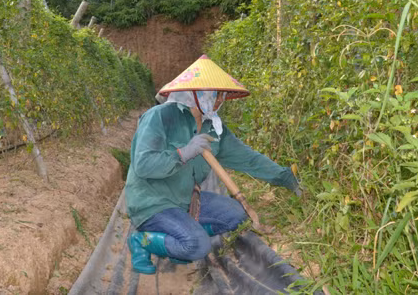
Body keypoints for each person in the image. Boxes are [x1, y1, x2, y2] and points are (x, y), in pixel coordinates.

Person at [125, 55, 302, 274]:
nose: (220, 100)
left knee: (236, 215)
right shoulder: (159, 117)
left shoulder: (213, 128)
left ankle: (176, 241)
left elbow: (249, 159)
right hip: (153, 202)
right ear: (196, 93)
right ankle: (142, 241)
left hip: (185, 199)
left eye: (222, 95)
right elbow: (143, 164)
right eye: (215, 94)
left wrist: (286, 178)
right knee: (198, 245)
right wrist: (183, 153)